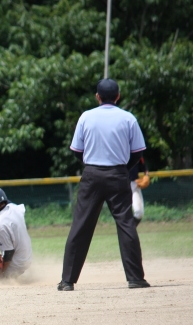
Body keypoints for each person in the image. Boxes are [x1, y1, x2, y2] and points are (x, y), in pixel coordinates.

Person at [59, 78, 150, 291]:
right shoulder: (128, 118)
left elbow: (76, 151)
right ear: (118, 96)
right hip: (118, 174)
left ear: (97, 96)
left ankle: (67, 281)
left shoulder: (86, 117)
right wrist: (122, 168)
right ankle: (135, 278)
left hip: (91, 175)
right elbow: (138, 152)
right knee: (126, 223)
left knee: (81, 225)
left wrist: (91, 165)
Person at [129, 157, 149, 226]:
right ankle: (127, 231)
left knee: (139, 213)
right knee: (123, 214)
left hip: (134, 184)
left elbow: (144, 166)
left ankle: (130, 231)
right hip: (120, 184)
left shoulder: (136, 151)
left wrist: (147, 175)